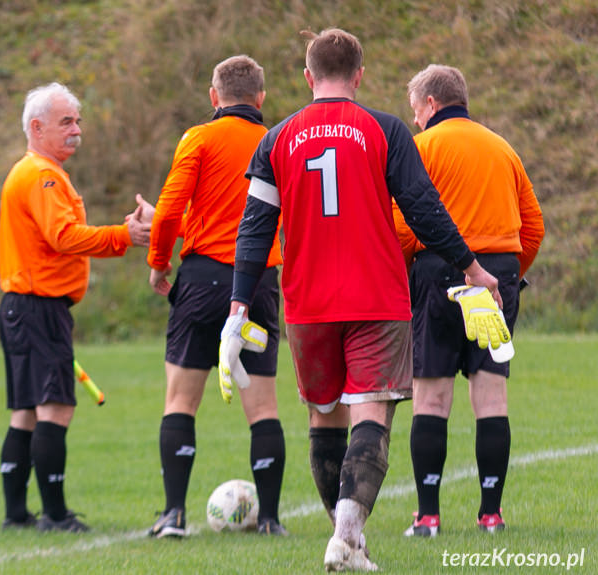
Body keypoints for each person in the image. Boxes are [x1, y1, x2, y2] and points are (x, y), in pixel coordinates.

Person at [223, 28, 507, 572]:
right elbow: (424, 209)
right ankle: (346, 539)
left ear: (308, 77)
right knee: (369, 416)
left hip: (307, 302)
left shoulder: (276, 138)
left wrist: (238, 308)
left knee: (324, 420)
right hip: (375, 295)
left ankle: (348, 542)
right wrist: (473, 268)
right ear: (359, 75)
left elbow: (254, 231)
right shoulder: (385, 129)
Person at [396, 65, 544, 538]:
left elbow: (401, 224)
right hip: (499, 272)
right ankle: (491, 514)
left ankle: (427, 516)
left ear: (432, 105)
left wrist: (408, 274)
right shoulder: (503, 147)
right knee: (491, 395)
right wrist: (509, 275)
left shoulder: (420, 148)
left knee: (432, 396)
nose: (415, 120)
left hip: (437, 271)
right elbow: (533, 225)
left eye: (416, 110)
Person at [0, 82, 152, 533]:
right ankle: (55, 515)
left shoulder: (33, 172)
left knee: (25, 409)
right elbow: (63, 237)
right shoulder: (42, 176)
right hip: (39, 308)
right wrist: (124, 235)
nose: (76, 130)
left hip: (21, 307)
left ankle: (16, 514)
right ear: (36, 127)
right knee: (55, 407)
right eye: (67, 122)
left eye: (77, 121)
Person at [145, 55, 287, 538]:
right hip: (260, 283)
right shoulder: (277, 141)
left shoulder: (199, 138)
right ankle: (268, 519)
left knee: (181, 400)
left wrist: (159, 264)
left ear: (214, 97)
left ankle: (173, 516)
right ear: (260, 99)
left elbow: (167, 214)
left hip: (203, 281)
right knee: (263, 406)